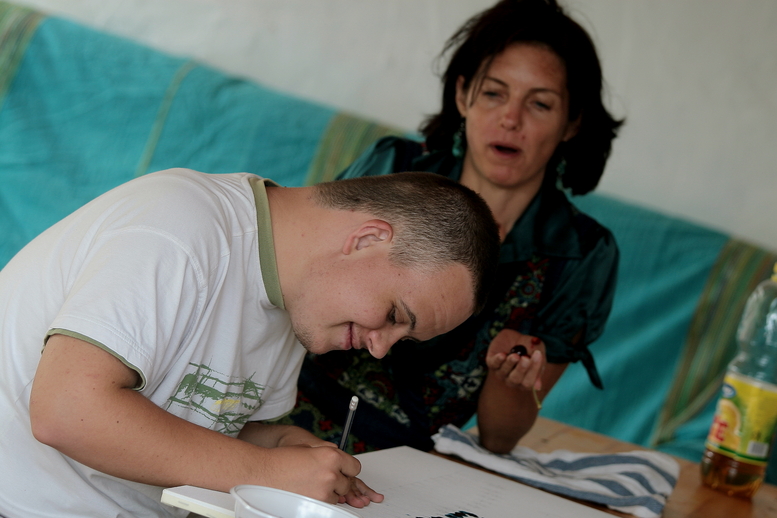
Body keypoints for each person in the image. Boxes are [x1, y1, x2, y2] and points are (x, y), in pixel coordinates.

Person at [0, 168, 499, 517]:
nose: (379, 348)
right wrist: (265, 470)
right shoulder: (180, 224)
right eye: (393, 316)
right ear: (367, 239)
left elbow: (196, 425)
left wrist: (283, 446)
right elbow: (66, 409)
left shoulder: (300, 300)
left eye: (402, 338)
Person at [280, 0, 622, 455]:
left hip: (404, 461)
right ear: (463, 95)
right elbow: (293, 285)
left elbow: (498, 438)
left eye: (540, 104)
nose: (511, 119)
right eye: (494, 93)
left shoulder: (581, 254)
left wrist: (510, 379)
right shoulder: (394, 167)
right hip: (278, 407)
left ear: (571, 122)